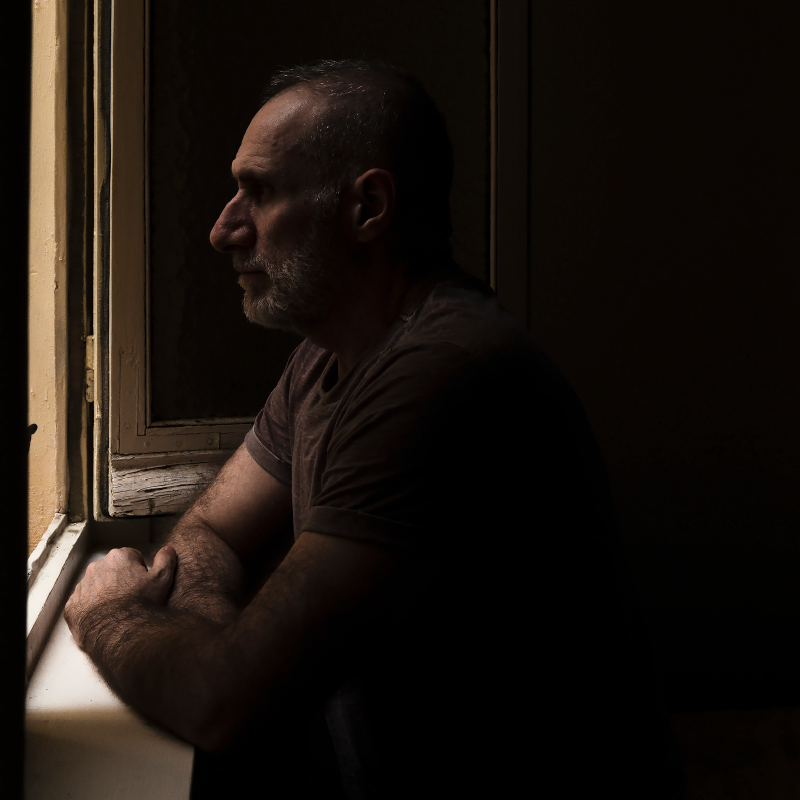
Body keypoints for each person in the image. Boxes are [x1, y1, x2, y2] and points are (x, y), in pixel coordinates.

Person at [65, 60, 686, 798]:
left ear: (367, 208)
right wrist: (221, 637)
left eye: (258, 192)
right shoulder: (326, 358)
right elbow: (211, 536)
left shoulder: (441, 377)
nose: (223, 229)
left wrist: (111, 615)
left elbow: (226, 704)